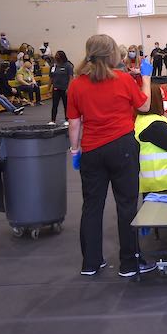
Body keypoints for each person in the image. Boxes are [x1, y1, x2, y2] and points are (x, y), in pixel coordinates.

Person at [67, 34, 154, 278]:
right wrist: (145, 78)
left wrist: (75, 150)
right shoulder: (124, 80)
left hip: (92, 150)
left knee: (91, 206)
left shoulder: (77, 84)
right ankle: (129, 262)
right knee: (126, 204)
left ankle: (91, 262)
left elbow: (74, 123)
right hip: (122, 147)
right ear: (113, 53)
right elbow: (145, 106)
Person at [50, 51, 74, 124]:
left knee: (66, 105)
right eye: (56, 55)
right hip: (56, 88)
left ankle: (67, 119)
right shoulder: (53, 66)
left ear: (62, 56)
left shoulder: (68, 65)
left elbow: (70, 77)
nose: (56, 56)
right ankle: (52, 120)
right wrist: (48, 88)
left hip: (64, 88)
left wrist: (68, 88)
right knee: (54, 104)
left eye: (57, 55)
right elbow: (51, 77)